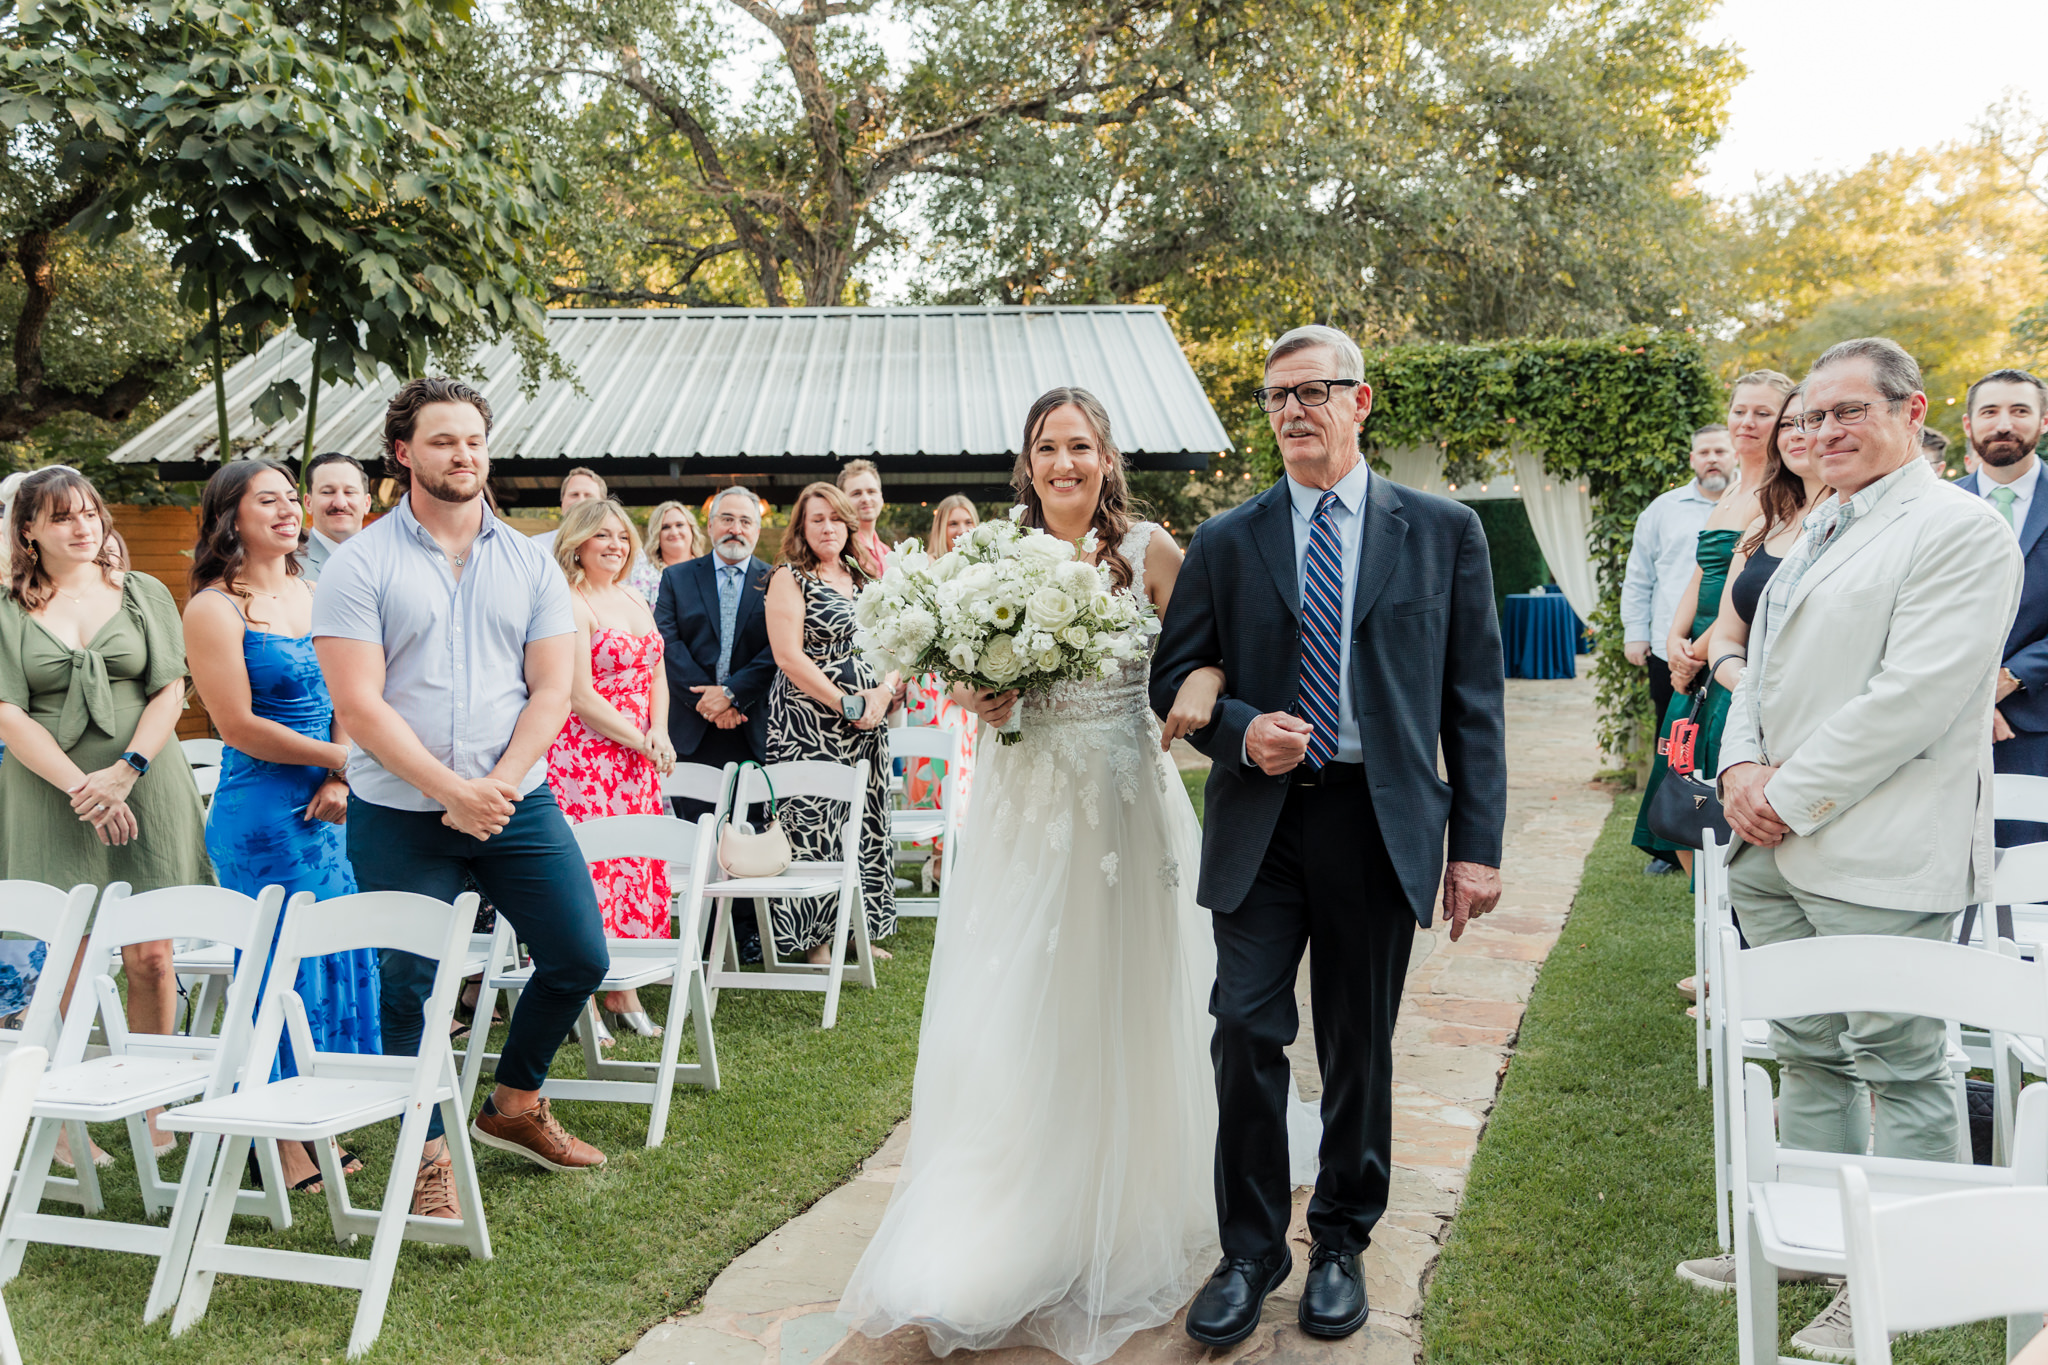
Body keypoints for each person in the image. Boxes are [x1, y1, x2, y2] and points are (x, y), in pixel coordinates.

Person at [841, 388, 1240, 1364]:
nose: (1063, 462)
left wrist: (1193, 689)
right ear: (1025, 461)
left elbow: (1212, 652)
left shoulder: (1149, 550)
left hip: (1121, 803)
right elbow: (963, 677)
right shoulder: (990, 554)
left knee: (1120, 996)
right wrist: (976, 692)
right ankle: (1010, 1202)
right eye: (1045, 447)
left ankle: (1120, 1189)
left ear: (1106, 456)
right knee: (1012, 1001)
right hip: (1022, 807)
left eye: (1079, 445)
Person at [1150, 325, 1506, 1346]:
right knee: (1244, 1031)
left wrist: (1474, 848)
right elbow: (1169, 682)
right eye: (1275, 398)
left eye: (1313, 392)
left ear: (1360, 401)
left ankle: (1341, 1238)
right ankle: (1250, 1249)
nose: (1292, 411)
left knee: (1357, 1045)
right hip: (1260, 827)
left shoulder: (1440, 531)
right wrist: (1236, 729)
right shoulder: (1226, 537)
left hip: (1376, 818)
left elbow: (1471, 701)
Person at [1708, 337, 2022, 1359]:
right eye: (1810, 417)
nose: (1822, 432)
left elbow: (1912, 697)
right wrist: (1737, 771)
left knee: (1896, 1058)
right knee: (1803, 1047)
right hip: (1775, 835)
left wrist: (1785, 797)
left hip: (1880, 845)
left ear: (1909, 410)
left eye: (1847, 412)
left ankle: (1891, 1266)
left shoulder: (1957, 532)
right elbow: (1754, 665)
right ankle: (1812, 1246)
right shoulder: (1821, 523)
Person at [312, 377, 611, 1223]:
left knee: (579, 956)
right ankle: (428, 1156)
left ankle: (513, 1104)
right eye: (444, 441)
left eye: (475, 441)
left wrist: (498, 787)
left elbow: (552, 690)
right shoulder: (359, 563)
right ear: (403, 454)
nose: (464, 455)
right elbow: (360, 705)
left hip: (517, 800)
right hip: (402, 816)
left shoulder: (528, 561)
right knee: (410, 985)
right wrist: (449, 792)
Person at [0, 465, 212, 1164]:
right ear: (28, 529)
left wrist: (125, 772)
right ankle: (64, 1117)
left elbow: (170, 687)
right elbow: (8, 712)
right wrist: (80, 789)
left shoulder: (144, 591)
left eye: (90, 511)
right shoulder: (5, 607)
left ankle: (153, 1107)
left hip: (146, 780)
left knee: (152, 956)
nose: (83, 525)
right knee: (65, 959)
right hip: (49, 792)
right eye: (62, 516)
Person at [183, 459, 378, 1193]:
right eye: (269, 500)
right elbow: (237, 723)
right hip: (261, 813)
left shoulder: (315, 590)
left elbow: (352, 693)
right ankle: (282, 1141)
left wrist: (337, 775)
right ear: (231, 516)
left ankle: (318, 1103)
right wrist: (347, 760)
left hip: (328, 802)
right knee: (278, 968)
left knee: (331, 953)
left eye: (292, 498)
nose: (289, 510)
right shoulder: (213, 608)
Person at [1633, 376, 1797, 874]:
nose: (1747, 423)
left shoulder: (1782, 493)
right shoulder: (1729, 491)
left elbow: (1746, 587)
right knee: (1677, 793)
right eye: (1739, 411)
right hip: (1693, 655)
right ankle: (1705, 921)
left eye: (1763, 414)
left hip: (1731, 654)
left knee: (1712, 797)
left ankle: (1727, 915)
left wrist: (1699, 650)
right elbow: (1702, 571)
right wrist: (1672, 642)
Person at [546, 498, 675, 1037]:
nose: (616, 545)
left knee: (633, 865)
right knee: (594, 873)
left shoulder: (632, 596)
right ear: (577, 542)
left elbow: (656, 674)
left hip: (638, 757)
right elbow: (579, 695)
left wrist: (660, 733)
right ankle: (587, 999)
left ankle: (624, 989)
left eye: (622, 536)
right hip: (588, 759)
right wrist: (640, 740)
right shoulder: (571, 603)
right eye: (603, 536)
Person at [763, 482, 901, 965]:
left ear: (849, 524)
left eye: (836, 518)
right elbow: (788, 656)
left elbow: (896, 643)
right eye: (816, 518)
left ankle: (858, 929)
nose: (827, 527)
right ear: (802, 525)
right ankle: (814, 941)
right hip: (809, 722)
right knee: (814, 825)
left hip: (870, 722)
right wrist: (847, 703)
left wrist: (883, 693)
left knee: (864, 821)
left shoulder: (865, 578)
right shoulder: (789, 577)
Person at [653, 487, 774, 964]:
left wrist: (733, 693)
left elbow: (777, 651)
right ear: (710, 525)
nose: (735, 529)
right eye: (727, 519)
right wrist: (707, 698)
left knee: (748, 831)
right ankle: (699, 934)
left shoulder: (774, 580)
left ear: (758, 530)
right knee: (694, 830)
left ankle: (745, 933)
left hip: (748, 723)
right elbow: (666, 640)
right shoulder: (678, 578)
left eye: (746, 521)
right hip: (693, 725)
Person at [1956, 368, 2048, 846]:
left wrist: (2010, 678)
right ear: (1969, 425)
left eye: (2019, 411)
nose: (2004, 424)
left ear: (2044, 420)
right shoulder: (1938, 506)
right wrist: (1973, 692)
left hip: (2039, 718)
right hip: (1945, 720)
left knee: (2036, 878)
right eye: (1990, 412)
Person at [1621, 427, 1733, 722]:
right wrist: (1635, 633)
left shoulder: (1756, 503)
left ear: (1735, 455)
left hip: (1733, 642)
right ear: (1692, 459)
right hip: (1669, 648)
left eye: (1720, 452)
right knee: (1670, 731)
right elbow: (1639, 575)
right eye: (1704, 453)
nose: (1713, 459)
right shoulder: (1662, 509)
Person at [901, 495, 981, 883]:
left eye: (968, 522)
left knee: (963, 764)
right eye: (953, 523)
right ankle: (936, 854)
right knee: (933, 765)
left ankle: (955, 850)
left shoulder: (984, 571)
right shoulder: (926, 570)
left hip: (966, 679)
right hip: (929, 683)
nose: (961, 530)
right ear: (940, 529)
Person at [297, 451, 373, 582]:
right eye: (327, 492)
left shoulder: (389, 561)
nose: (340, 503)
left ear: (367, 503)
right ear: (308, 503)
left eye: (349, 492)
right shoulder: (289, 567)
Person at [628, 499, 701, 605]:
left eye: (679, 525)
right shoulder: (644, 571)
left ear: (691, 529)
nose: (674, 532)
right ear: (656, 534)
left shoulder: (708, 569)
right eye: (665, 527)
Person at [531, 467, 608, 555]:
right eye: (574, 495)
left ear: (604, 506)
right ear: (562, 503)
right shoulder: (537, 546)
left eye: (588, 496)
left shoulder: (616, 547)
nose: (580, 501)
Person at [836, 458, 888, 576]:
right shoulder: (840, 551)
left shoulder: (887, 552)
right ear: (842, 500)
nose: (866, 499)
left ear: (881, 498)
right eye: (856, 493)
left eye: (871, 491)